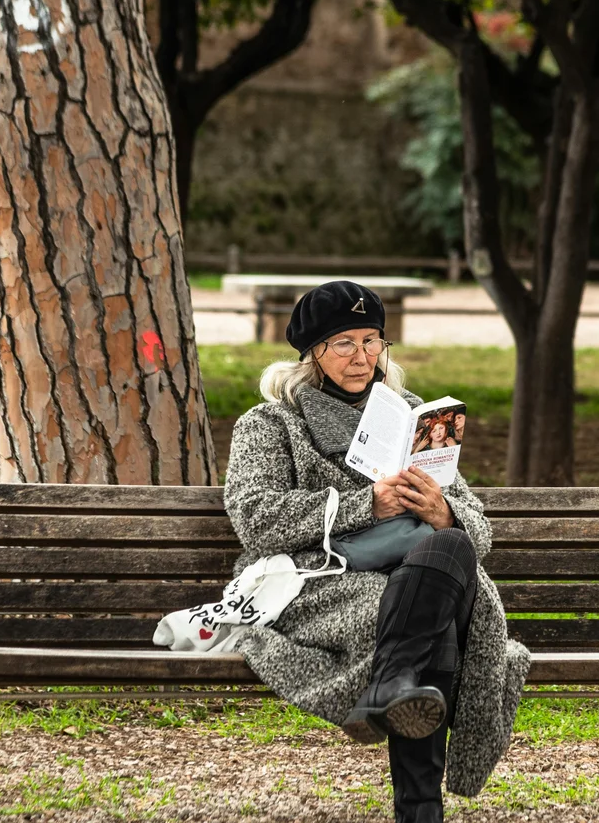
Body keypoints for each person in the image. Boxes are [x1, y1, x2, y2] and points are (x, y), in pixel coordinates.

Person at [223, 280, 531, 823]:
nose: (362, 357)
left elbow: (476, 532)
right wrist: (365, 504)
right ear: (312, 351)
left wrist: (443, 512)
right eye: (344, 343)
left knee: (451, 545)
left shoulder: (417, 418)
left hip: (424, 573)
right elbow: (255, 518)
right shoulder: (271, 423)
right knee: (428, 624)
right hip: (323, 579)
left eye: (373, 342)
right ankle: (419, 807)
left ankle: (389, 688)